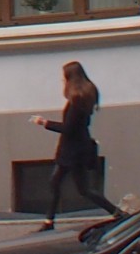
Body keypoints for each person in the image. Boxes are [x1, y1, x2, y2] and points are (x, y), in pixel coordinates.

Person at [34, 61, 121, 229]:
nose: (62, 81)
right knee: (62, 184)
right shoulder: (86, 96)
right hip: (77, 148)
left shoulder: (76, 101)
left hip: (72, 152)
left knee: (79, 188)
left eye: (64, 78)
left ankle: (118, 213)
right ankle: (49, 221)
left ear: (70, 79)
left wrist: (44, 122)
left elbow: (68, 128)